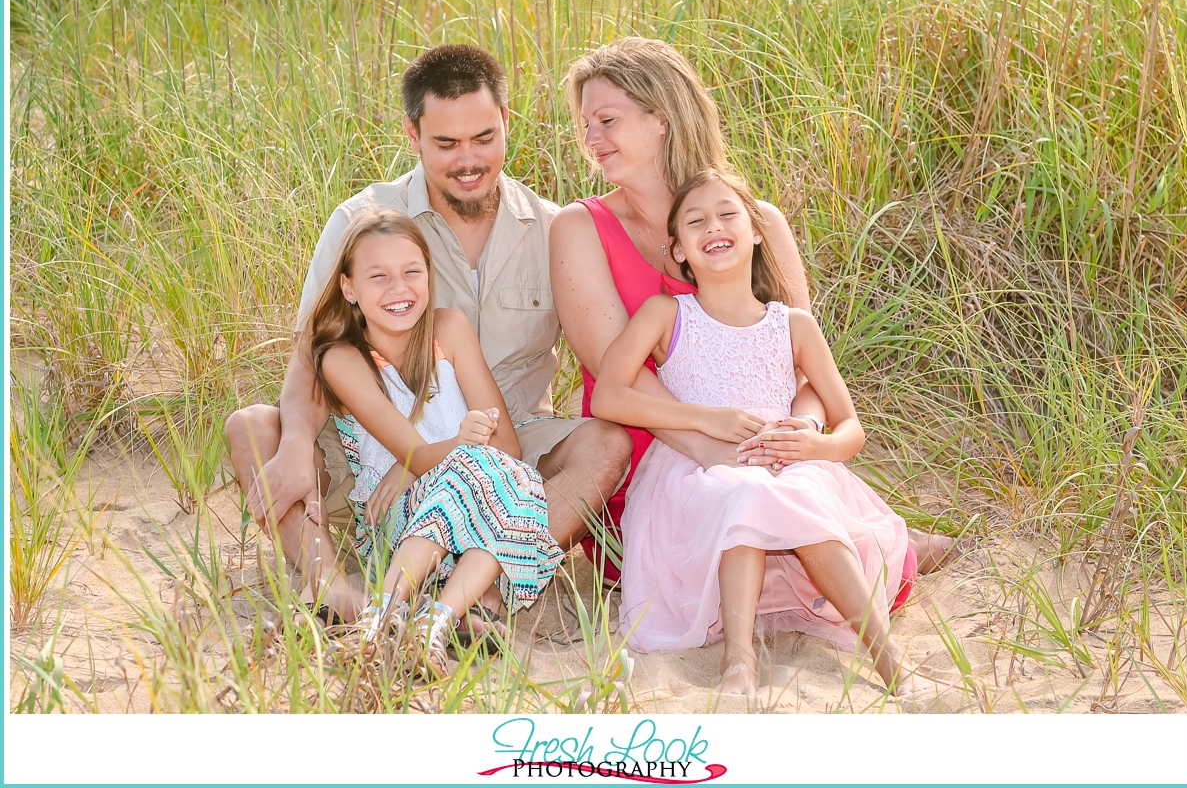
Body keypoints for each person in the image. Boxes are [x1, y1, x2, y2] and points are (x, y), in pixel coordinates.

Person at [226, 44, 631, 624]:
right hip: (372, 454)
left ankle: (485, 595)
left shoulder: (554, 227)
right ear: (412, 133)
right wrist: (295, 446)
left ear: (506, 121)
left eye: (484, 138)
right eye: (446, 144)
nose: (469, 160)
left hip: (508, 449)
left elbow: (605, 356)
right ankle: (337, 592)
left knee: (608, 443)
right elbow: (312, 352)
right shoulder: (364, 220)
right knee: (252, 426)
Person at [592, 169, 955, 700]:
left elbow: (849, 426)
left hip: (787, 465)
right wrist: (703, 418)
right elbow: (609, 396)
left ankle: (887, 656)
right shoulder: (667, 314)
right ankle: (739, 659)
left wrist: (818, 446)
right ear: (678, 250)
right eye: (695, 221)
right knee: (747, 491)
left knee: (795, 489)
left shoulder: (793, 325)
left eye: (727, 214)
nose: (713, 227)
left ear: (757, 231)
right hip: (698, 475)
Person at [548, 37, 821, 552]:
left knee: (841, 548)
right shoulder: (580, 227)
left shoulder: (759, 225)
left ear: (663, 118)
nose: (591, 138)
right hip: (648, 474)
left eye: (607, 120)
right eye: (585, 124)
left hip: (767, 457)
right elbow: (618, 375)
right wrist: (723, 462)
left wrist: (799, 439)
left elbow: (801, 367)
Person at [306, 206, 561, 673]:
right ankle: (380, 613)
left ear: (429, 274)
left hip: (478, 513)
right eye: (378, 276)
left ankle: (435, 622)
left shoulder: (450, 329)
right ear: (349, 287)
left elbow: (508, 448)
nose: (399, 289)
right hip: (395, 524)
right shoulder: (343, 358)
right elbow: (419, 453)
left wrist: (430, 462)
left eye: (411, 272)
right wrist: (454, 448)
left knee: (518, 479)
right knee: (488, 473)